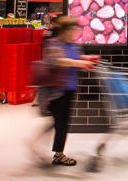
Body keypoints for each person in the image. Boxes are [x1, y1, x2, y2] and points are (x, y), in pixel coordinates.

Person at [35, 16, 96, 166]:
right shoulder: (53, 43)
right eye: (73, 29)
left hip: (70, 88)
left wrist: (87, 58)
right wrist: (80, 62)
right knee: (61, 122)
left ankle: (48, 147)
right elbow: (59, 60)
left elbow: (74, 57)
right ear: (64, 30)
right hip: (56, 91)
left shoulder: (72, 45)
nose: (75, 32)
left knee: (61, 122)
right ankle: (58, 155)